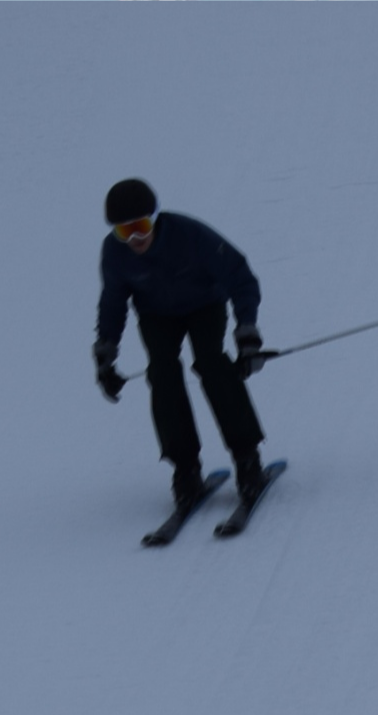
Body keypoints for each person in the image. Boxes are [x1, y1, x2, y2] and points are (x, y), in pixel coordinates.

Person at [92, 178, 270, 507]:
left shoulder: (190, 235)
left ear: (155, 218)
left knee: (212, 364)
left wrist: (247, 334)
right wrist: (105, 355)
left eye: (141, 226)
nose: (134, 239)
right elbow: (113, 303)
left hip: (204, 305)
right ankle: (185, 469)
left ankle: (247, 458)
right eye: (124, 231)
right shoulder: (115, 254)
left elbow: (240, 276)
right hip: (157, 315)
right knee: (162, 374)